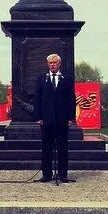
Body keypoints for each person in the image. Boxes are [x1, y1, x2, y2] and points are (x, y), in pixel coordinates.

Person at [34, 53, 76, 183]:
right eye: (50, 63)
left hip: (62, 120)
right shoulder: (41, 78)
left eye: (55, 62)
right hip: (46, 120)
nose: (52, 65)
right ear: (48, 64)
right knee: (46, 148)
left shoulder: (67, 79)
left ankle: (63, 175)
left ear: (59, 64)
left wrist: (71, 118)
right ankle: (47, 174)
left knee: (63, 148)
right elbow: (37, 99)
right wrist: (38, 117)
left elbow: (71, 99)